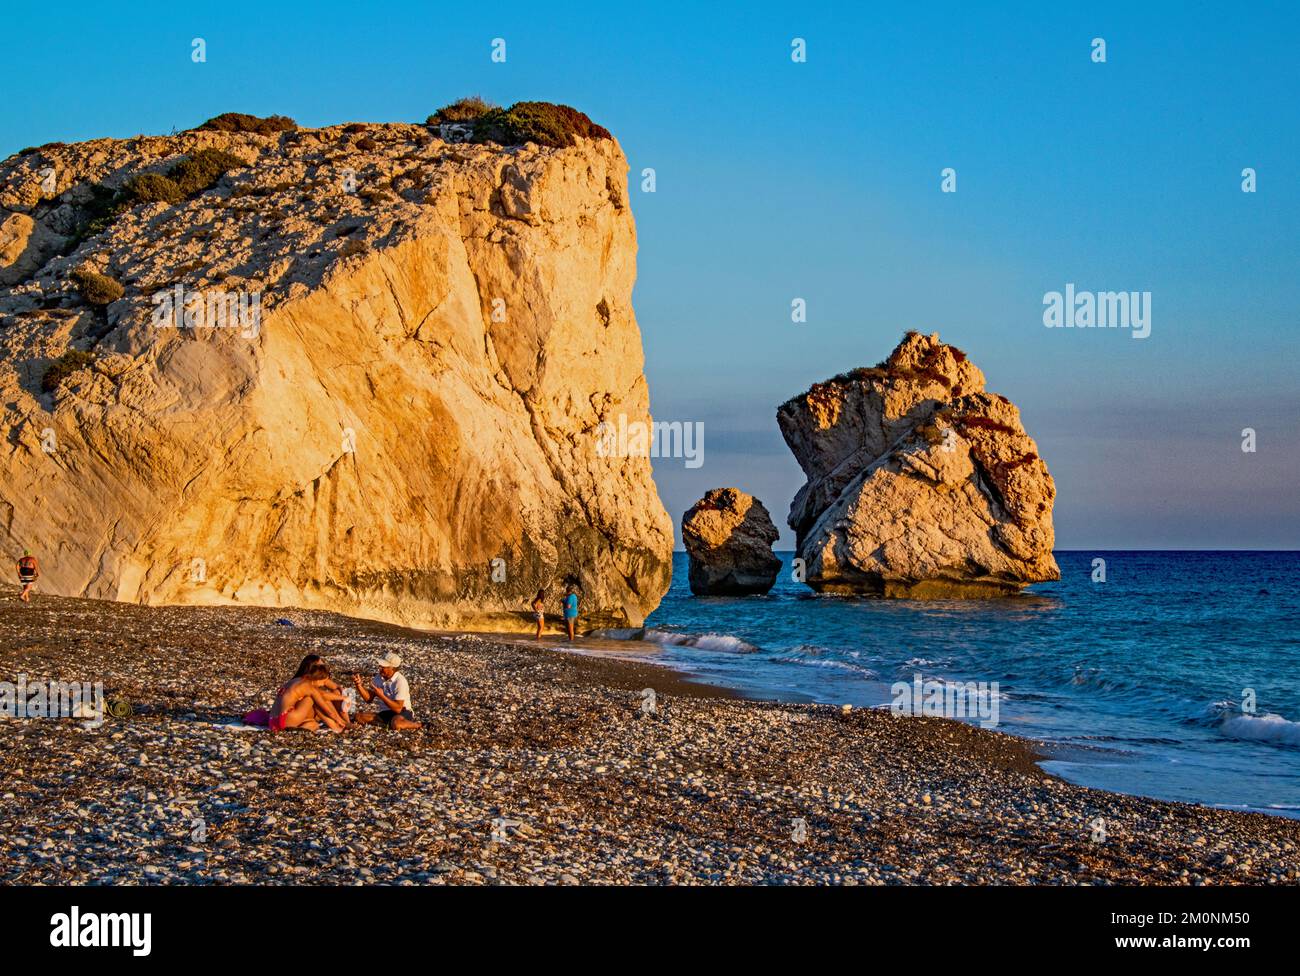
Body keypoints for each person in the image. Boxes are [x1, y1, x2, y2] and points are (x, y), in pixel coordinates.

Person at [269, 663, 346, 732]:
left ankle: (304, 727)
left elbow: (322, 693)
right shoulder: (308, 686)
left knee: (313, 724)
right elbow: (324, 706)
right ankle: (335, 727)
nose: (323, 685)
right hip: (286, 719)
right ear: (317, 679)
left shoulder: (296, 680)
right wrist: (338, 720)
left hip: (272, 721)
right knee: (313, 699)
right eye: (323, 682)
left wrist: (342, 698)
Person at [352, 652, 421, 730]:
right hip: (386, 712)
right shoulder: (379, 678)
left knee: (397, 723)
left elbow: (398, 708)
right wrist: (359, 685)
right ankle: (386, 726)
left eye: (383, 666)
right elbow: (368, 699)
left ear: (392, 668)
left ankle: (418, 725)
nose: (380, 668)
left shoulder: (400, 681)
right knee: (359, 717)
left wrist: (381, 696)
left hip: (403, 712)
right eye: (380, 666)